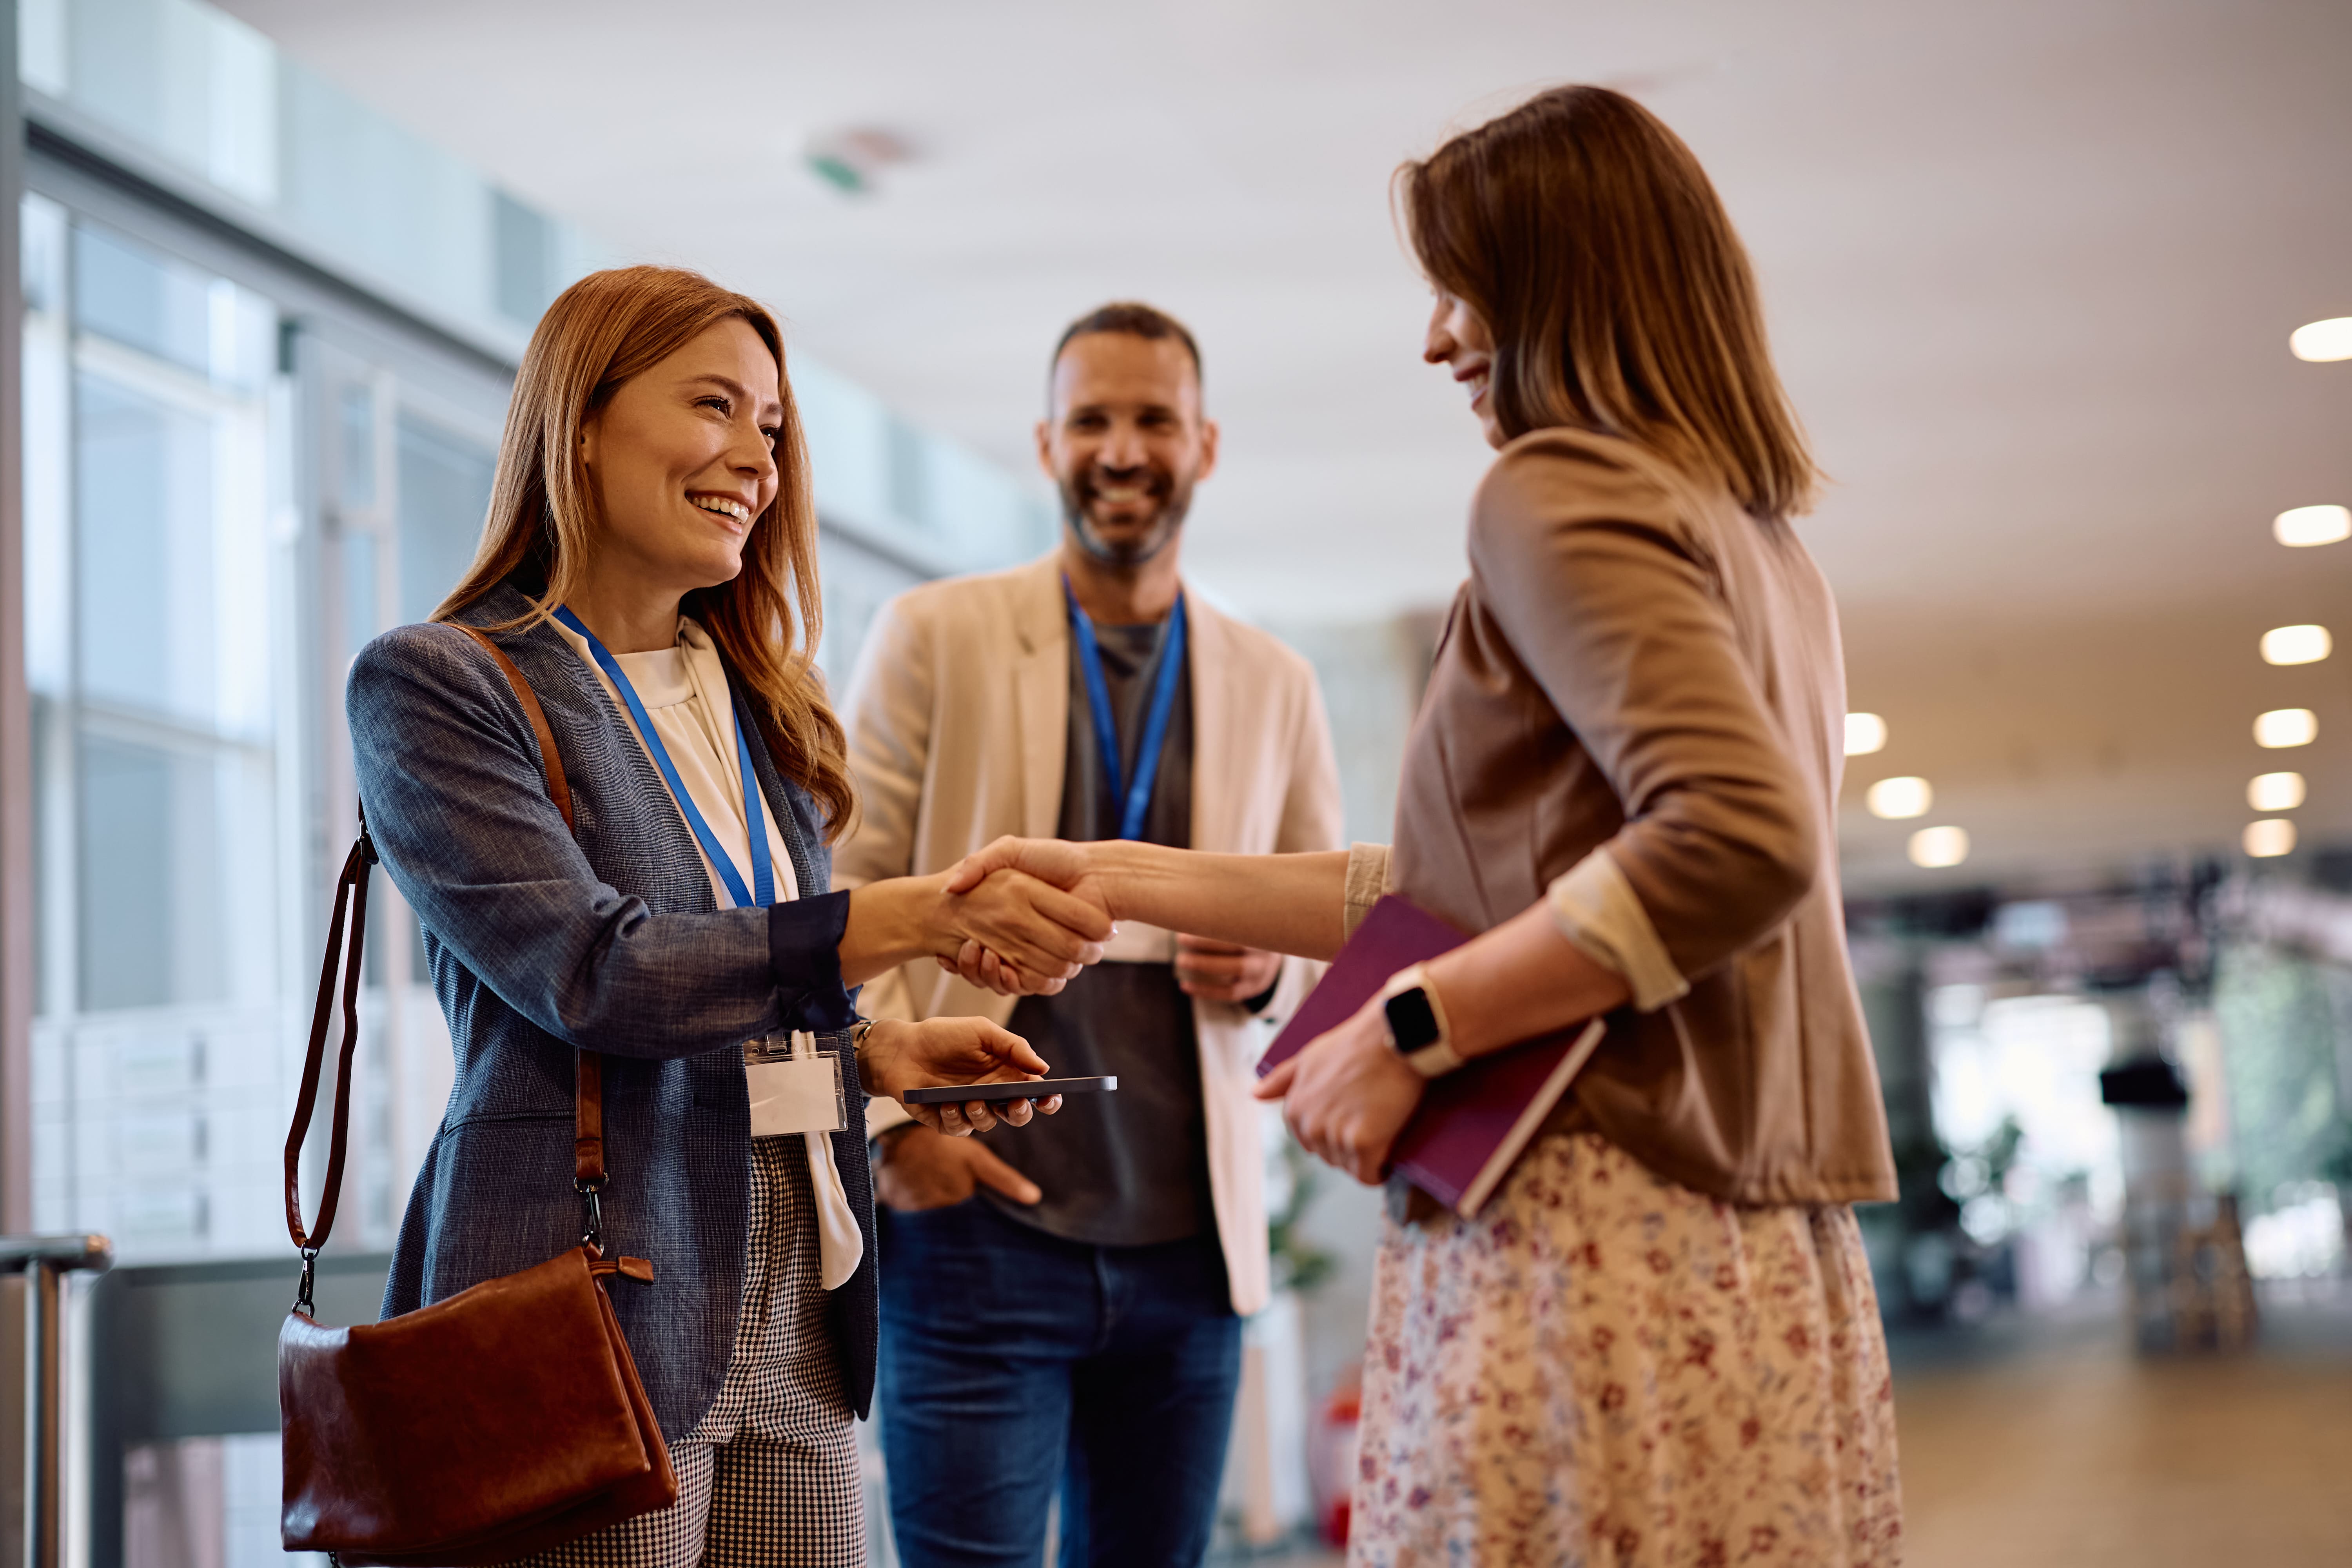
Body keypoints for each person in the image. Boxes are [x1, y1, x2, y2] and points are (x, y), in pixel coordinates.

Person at [942, 87, 1904, 1566]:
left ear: (1558, 282)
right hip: (1753, 1254)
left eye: (1462, 287)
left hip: (1593, 1219)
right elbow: (1479, 879)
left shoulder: (1553, 488)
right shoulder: (1765, 550)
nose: (1439, 336)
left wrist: (1409, 1030)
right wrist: (1115, 873)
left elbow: (1737, 839)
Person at [347, 265, 1115, 1567]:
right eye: (716, 406)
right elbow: (598, 975)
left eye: (772, 428)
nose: (757, 459)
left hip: (799, 1317)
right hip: (591, 1310)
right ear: (579, 420)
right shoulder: (443, 684)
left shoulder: (761, 705)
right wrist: (906, 919)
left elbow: (740, 1003)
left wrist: (875, 1062)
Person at [836, 302, 1344, 1566]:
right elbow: (830, 892)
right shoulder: (933, 635)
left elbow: (1334, 936)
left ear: (1206, 445)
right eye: (1093, 422)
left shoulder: (1276, 680)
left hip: (1191, 1253)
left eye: (1154, 421)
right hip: (975, 1235)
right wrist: (899, 1138)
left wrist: (1272, 970)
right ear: (1046, 443)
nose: (1124, 451)